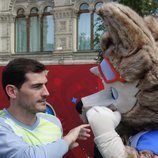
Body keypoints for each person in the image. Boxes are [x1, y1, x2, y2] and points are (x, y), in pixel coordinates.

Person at [0, 58, 90, 158]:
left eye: (45, 85)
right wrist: (67, 140)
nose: (46, 93)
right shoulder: (2, 125)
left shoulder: (53, 122)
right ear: (12, 91)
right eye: (37, 86)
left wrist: (61, 147)